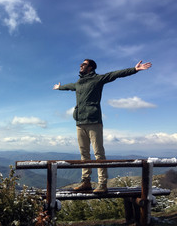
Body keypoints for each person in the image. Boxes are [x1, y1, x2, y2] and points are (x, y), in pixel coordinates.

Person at [53, 59, 152, 193]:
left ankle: (102, 183)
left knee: (99, 153)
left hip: (94, 121)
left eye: (84, 64)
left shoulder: (98, 79)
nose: (81, 66)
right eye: (81, 64)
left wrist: (134, 69)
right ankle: (86, 182)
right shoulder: (78, 83)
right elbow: (70, 86)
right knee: (84, 154)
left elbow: (115, 74)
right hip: (79, 122)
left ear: (91, 68)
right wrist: (60, 87)